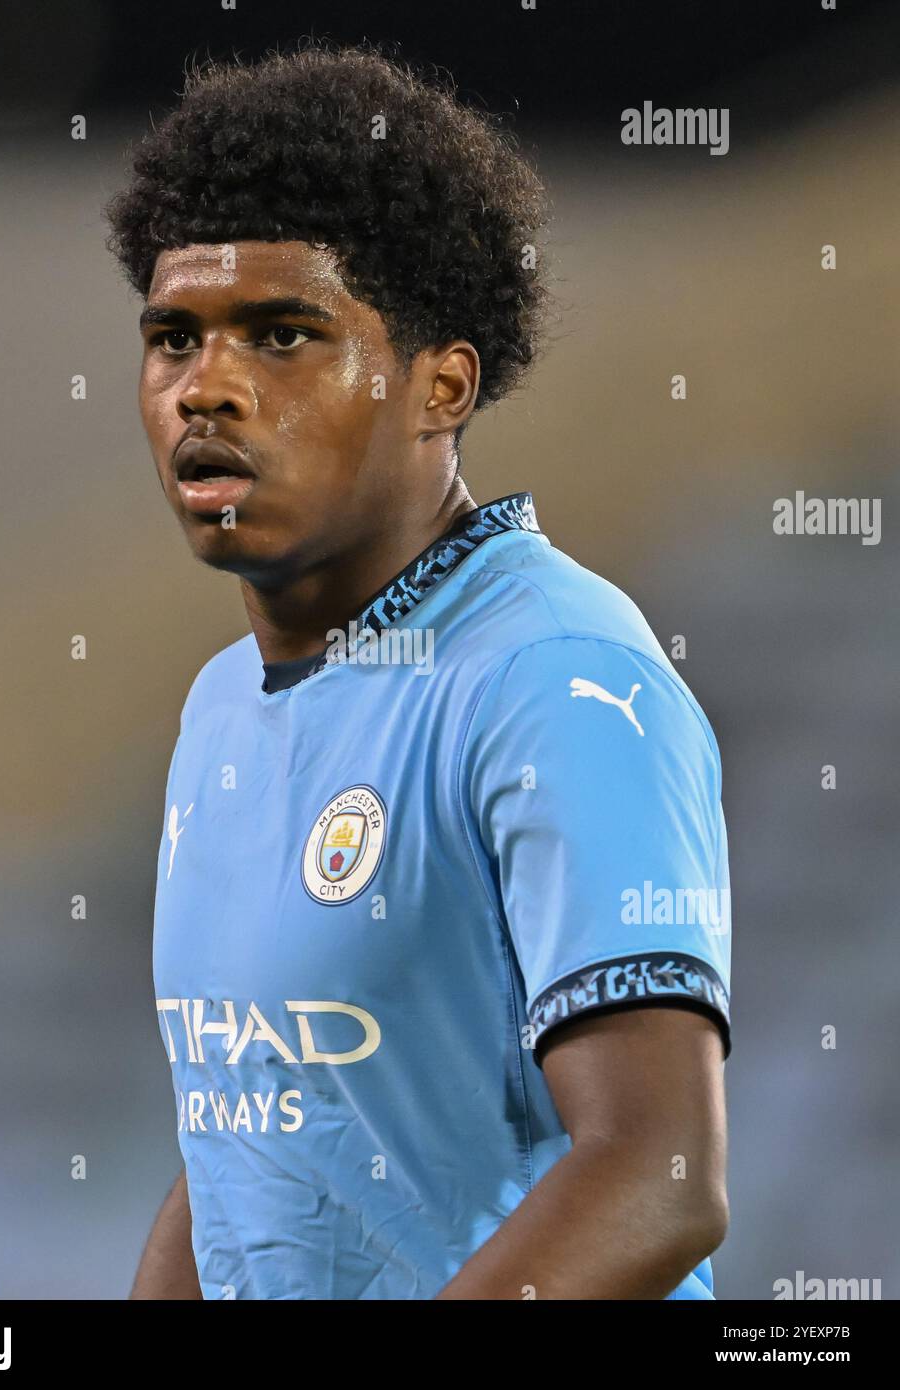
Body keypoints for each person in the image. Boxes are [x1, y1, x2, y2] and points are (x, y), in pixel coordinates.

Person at [105, 39, 731, 1301]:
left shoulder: (552, 676)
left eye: (281, 335)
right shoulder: (221, 705)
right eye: (175, 339)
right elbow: (249, 1129)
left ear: (440, 383)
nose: (204, 389)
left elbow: (658, 1174)